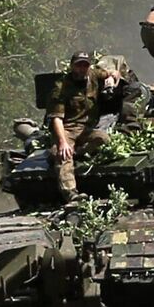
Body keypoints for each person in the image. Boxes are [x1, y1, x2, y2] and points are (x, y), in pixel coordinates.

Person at [45, 49, 115, 203]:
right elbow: (56, 118)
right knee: (63, 155)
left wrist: (111, 78)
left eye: (85, 65)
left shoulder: (93, 75)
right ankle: (71, 194)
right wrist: (62, 142)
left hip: (86, 129)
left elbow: (111, 72)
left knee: (103, 139)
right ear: (72, 66)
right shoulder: (61, 86)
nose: (82, 68)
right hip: (67, 129)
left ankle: (77, 152)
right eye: (78, 65)